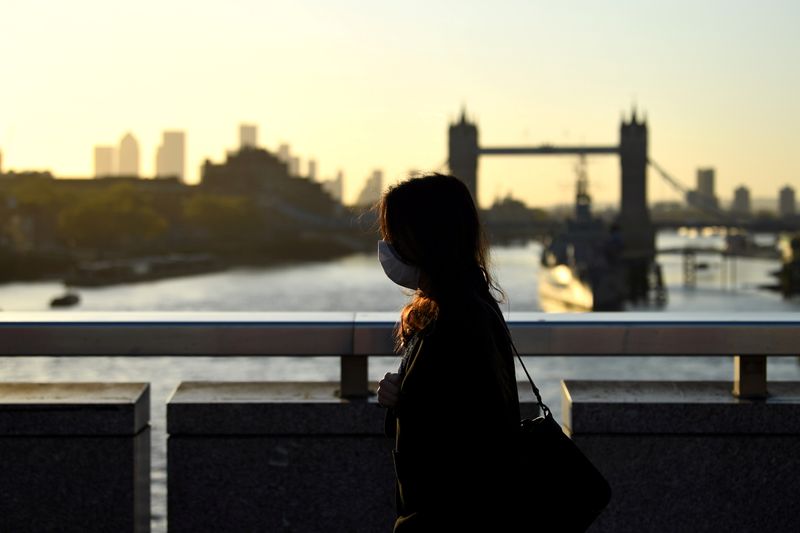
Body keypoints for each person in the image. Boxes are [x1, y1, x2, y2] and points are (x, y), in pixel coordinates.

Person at [375, 173, 523, 531]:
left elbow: (455, 449)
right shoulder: (469, 304)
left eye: (395, 236)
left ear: (424, 240)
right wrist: (402, 395)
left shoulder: (455, 322)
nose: (387, 246)